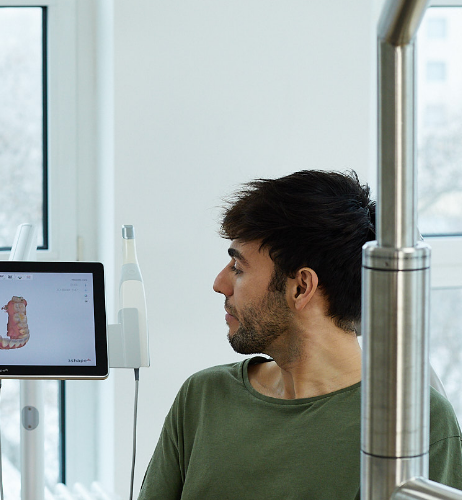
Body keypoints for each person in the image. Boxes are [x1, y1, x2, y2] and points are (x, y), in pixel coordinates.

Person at [137, 170, 462, 499]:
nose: (219, 284)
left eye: (238, 268)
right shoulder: (203, 399)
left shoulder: (418, 427)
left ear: (301, 287)